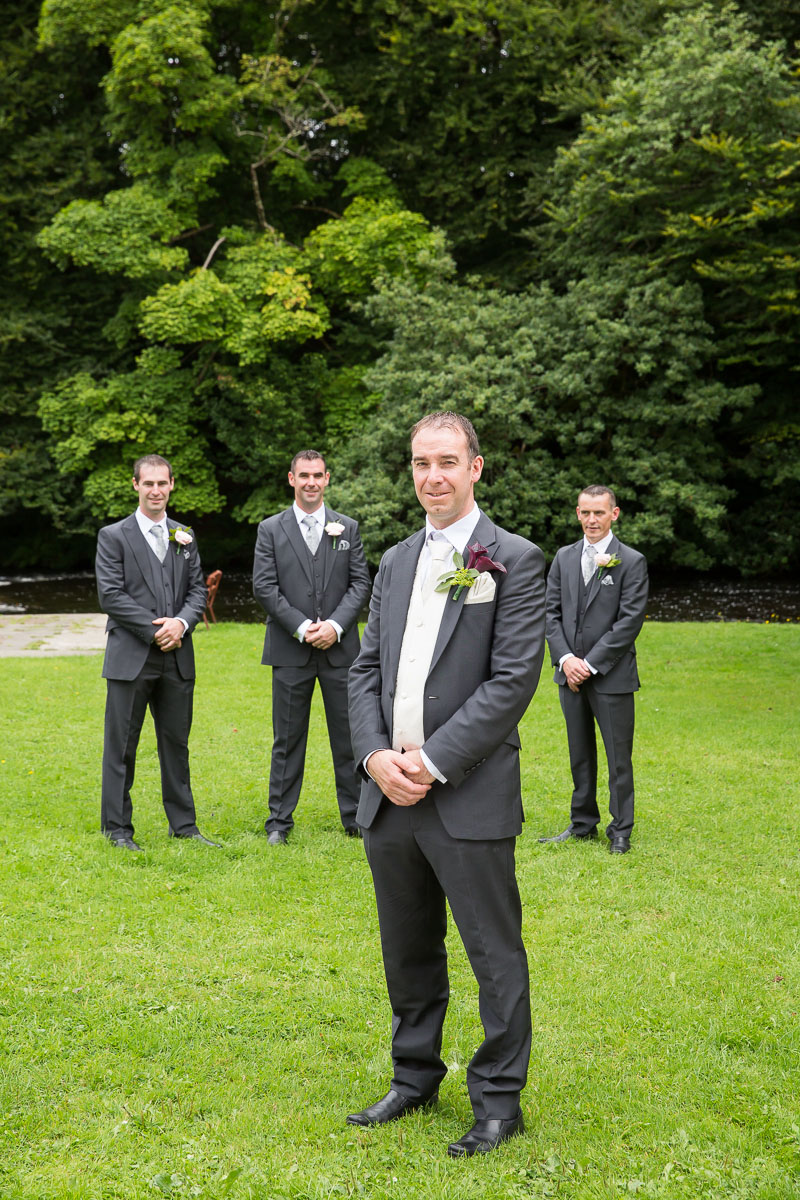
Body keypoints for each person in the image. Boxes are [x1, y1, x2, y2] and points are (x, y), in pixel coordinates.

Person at [347, 412, 546, 1158]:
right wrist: (374, 759)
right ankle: (414, 1074)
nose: (433, 475)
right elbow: (365, 669)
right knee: (408, 947)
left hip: (466, 793)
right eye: (421, 462)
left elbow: (511, 682)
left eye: (447, 462)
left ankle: (498, 1101)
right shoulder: (397, 560)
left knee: (494, 953)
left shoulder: (515, 560)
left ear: (476, 468)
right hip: (387, 791)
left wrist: (427, 766)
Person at [96, 454, 217, 852]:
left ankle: (183, 826)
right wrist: (157, 630)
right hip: (132, 657)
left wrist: (180, 623)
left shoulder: (184, 535)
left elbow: (197, 591)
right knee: (121, 746)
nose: (156, 491)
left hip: (178, 656)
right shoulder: (113, 536)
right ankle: (117, 829)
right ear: (135, 485)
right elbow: (111, 595)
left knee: (176, 744)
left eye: (162, 484)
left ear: (171, 484)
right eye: (148, 484)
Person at [253, 450, 371, 843]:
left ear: (327, 478)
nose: (311, 482)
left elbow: (360, 584)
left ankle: (356, 818)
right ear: (291, 479)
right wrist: (303, 628)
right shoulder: (271, 529)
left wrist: (336, 626)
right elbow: (265, 587)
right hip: (290, 651)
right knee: (287, 739)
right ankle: (279, 823)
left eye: (317, 475)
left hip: (340, 652)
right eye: (303, 475)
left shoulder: (346, 527)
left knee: (350, 736)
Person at [539, 485, 648, 854]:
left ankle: (621, 830)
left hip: (612, 677)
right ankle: (582, 822)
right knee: (579, 752)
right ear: (577, 513)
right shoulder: (564, 557)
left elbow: (629, 622)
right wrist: (566, 659)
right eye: (585, 513)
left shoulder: (631, 561)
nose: (591, 520)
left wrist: (590, 663)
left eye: (598, 513)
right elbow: (550, 614)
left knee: (618, 757)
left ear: (614, 514)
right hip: (568, 674)